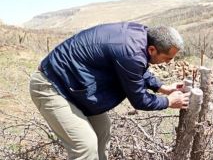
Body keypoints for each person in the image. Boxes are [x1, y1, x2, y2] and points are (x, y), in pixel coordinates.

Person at [29, 22, 190, 160]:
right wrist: (168, 101)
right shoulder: (131, 51)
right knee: (85, 145)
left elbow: (135, 69)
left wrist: (162, 87)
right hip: (51, 85)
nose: (171, 62)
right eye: (168, 58)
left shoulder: (141, 40)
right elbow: (140, 100)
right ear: (152, 50)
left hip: (74, 85)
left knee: (102, 131)